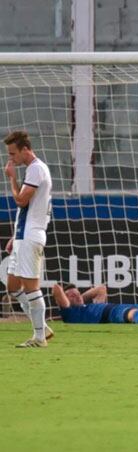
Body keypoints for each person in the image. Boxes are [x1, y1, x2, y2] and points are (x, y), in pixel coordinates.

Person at [4, 131, 53, 348]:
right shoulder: (33, 169)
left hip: (32, 235)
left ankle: (40, 337)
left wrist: (12, 178)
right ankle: (42, 325)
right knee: (13, 286)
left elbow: (22, 201)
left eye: (13, 154)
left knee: (31, 287)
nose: (11, 158)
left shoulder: (36, 169)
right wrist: (15, 236)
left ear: (25, 149)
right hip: (23, 235)